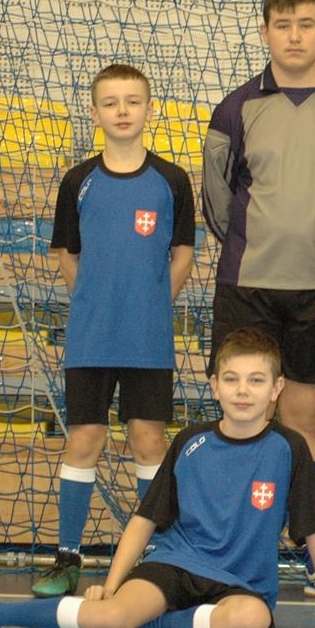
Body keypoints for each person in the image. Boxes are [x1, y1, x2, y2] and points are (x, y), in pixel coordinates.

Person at [0, 327, 315, 628]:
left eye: (256, 381)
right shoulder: (190, 442)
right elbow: (144, 521)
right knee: (108, 618)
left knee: (249, 624)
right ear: (214, 386)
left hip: (242, 583)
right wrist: (113, 582)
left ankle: (145, 623)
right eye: (232, 379)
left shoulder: (288, 449)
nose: (243, 391)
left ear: (277, 388)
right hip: (175, 565)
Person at [203, 0, 315, 598]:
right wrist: (258, 244)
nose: (295, 36)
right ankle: (227, 550)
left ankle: (314, 554)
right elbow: (218, 202)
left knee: (306, 419)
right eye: (283, 25)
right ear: (265, 32)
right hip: (249, 285)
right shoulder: (235, 109)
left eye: (306, 24)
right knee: (240, 415)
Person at [33, 63, 196, 597]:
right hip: (91, 337)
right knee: (85, 438)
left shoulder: (172, 180)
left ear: (149, 109)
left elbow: (183, 253)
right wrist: (95, 302)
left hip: (147, 338)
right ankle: (67, 557)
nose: (122, 111)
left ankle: (154, 555)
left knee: (148, 440)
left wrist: (152, 304)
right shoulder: (77, 181)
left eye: (132, 101)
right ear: (94, 112)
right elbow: (67, 253)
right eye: (110, 102)